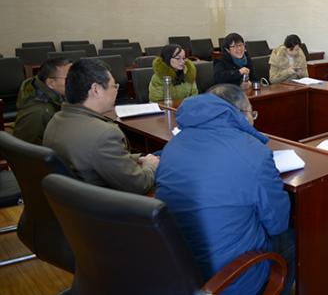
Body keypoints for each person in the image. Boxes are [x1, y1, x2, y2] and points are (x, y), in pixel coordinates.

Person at [155, 84, 294, 295]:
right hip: (231, 278)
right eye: (252, 113)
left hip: (180, 270)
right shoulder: (253, 152)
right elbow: (278, 223)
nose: (253, 119)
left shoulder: (173, 146)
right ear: (238, 114)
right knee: (294, 239)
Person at [43, 58, 158, 194]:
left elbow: (96, 156)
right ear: (96, 90)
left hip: (72, 199)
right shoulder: (104, 135)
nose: (116, 91)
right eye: (114, 86)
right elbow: (139, 185)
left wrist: (137, 158)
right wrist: (150, 166)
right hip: (107, 201)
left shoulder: (56, 119)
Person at [13, 57, 71, 145]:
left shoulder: (55, 93)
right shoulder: (37, 113)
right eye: (70, 77)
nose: (76, 81)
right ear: (51, 83)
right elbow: (25, 149)